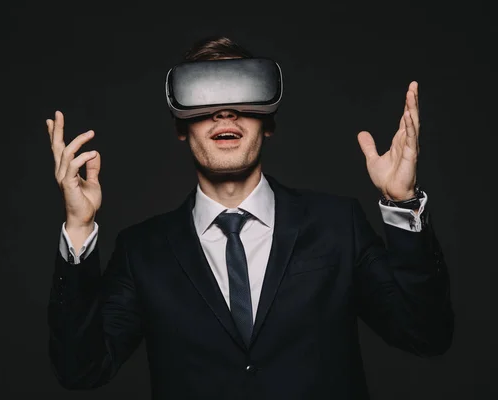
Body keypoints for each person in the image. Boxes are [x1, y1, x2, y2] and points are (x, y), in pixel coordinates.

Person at [46, 36, 453, 400]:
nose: (225, 111)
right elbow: (81, 370)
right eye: (205, 97)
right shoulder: (142, 252)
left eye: (243, 94)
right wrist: (79, 229)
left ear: (269, 121)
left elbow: (427, 335)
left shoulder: (336, 225)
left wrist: (403, 203)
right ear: (181, 127)